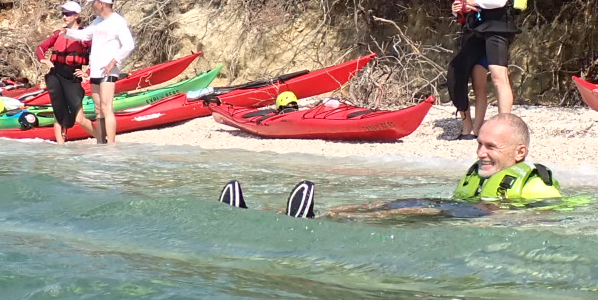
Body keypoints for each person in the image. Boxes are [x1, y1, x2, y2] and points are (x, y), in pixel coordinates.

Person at [218, 114, 563, 219]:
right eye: (479, 143)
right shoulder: (483, 174)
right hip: (460, 210)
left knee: (407, 212)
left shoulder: (535, 184)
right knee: (385, 204)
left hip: (473, 217)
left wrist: (501, 214)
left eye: (490, 147)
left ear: (520, 153)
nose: (480, 153)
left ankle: (321, 220)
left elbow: (546, 215)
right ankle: (262, 212)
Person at [463, 0, 526, 121]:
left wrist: (476, 1)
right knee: (498, 76)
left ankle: (505, 122)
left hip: (499, 28)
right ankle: (503, 120)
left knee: (499, 77)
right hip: (494, 28)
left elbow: (500, 1)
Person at [66, 0, 136, 145]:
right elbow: (85, 35)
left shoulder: (117, 21)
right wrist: (65, 32)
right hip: (96, 69)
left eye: (94, 3)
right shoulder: (98, 21)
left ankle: (111, 144)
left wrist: (114, 61)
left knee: (106, 108)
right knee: (98, 110)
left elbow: (128, 45)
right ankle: (101, 142)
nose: (92, 6)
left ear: (101, 4)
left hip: (108, 70)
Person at [35, 1, 93, 143]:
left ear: (76, 15)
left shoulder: (84, 35)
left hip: (72, 76)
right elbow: (41, 48)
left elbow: (97, 55)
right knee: (58, 112)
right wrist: (43, 60)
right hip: (56, 74)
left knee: (79, 118)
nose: (64, 17)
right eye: (63, 14)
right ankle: (60, 148)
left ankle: (102, 141)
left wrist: (88, 73)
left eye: (68, 14)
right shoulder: (58, 34)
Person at [446, 0, 484, 139]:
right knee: (457, 76)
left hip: (481, 38)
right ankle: (466, 122)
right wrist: (455, 12)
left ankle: (476, 127)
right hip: (466, 36)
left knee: (474, 82)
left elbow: (491, 8)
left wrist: (475, 7)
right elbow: (459, 17)